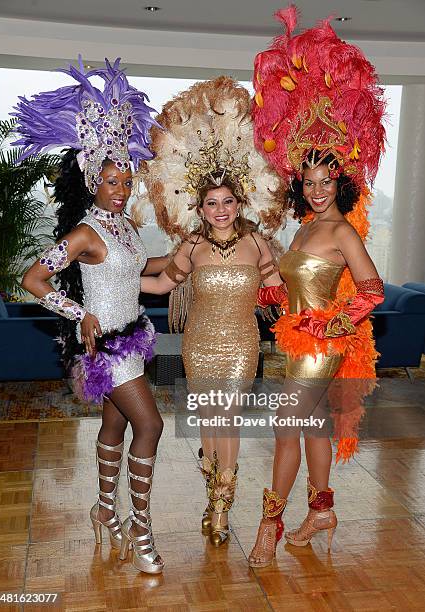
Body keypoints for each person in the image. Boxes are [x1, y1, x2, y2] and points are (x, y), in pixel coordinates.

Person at [14, 57, 167, 574]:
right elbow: (33, 279)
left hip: (133, 337)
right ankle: (141, 525)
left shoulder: (123, 228)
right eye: (111, 182)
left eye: (126, 181)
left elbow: (137, 274)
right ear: (91, 180)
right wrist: (78, 312)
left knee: (116, 426)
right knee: (152, 424)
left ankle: (106, 509)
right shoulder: (84, 232)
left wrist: (184, 258)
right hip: (109, 351)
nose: (120, 190)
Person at [247, 6, 386, 567]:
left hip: (323, 345)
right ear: (300, 184)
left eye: (327, 180)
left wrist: (331, 323)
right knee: (309, 429)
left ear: (340, 182)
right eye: (310, 181)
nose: (319, 189)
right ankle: (322, 508)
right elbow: (300, 286)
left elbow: (372, 289)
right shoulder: (305, 227)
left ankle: (268, 526)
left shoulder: (341, 231)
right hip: (297, 342)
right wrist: (270, 281)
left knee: (286, 431)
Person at [138, 77, 285, 546]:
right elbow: (162, 284)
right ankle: (215, 498)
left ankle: (222, 507)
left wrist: (321, 296)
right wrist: (113, 284)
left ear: (240, 202)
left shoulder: (258, 243)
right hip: (199, 345)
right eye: (211, 203)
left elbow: (280, 291)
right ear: (200, 209)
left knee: (229, 420)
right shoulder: (193, 246)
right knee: (210, 421)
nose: (220, 210)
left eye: (227, 202)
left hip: (241, 344)